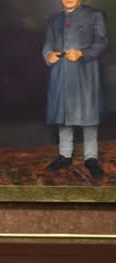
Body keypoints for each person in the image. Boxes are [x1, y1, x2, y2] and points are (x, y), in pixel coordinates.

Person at [43, 0, 108, 179]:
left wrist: (82, 53)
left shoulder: (94, 15)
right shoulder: (53, 20)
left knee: (89, 115)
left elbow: (101, 43)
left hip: (85, 72)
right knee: (63, 116)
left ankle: (91, 158)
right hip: (61, 73)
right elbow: (48, 45)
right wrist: (48, 55)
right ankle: (65, 155)